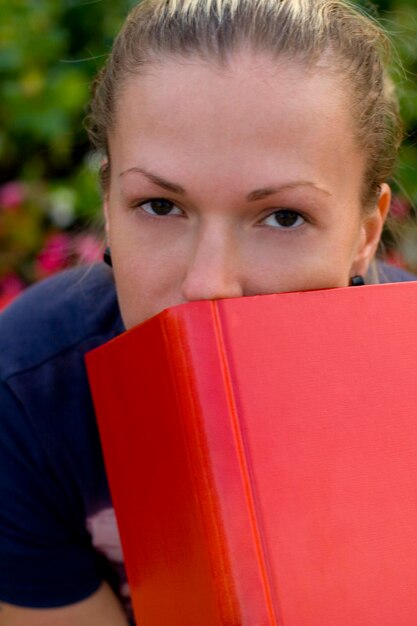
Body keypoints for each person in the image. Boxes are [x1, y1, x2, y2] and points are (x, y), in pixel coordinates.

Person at [0, 0, 416, 623]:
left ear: (365, 232)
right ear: (109, 204)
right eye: (161, 206)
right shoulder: (27, 397)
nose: (208, 285)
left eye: (283, 217)